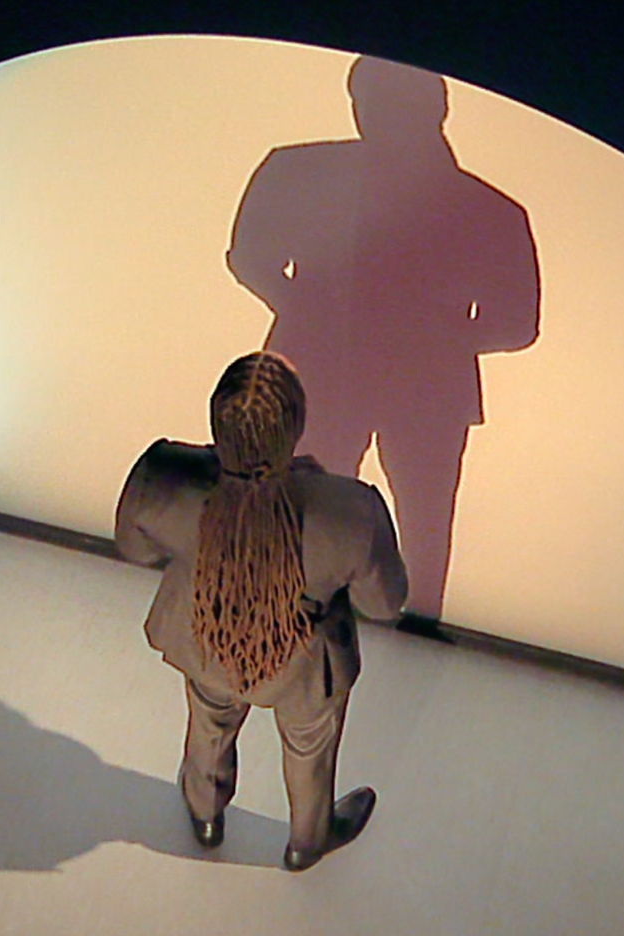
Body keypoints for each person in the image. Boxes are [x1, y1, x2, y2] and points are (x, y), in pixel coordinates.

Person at [227, 55, 540, 619]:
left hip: (351, 378)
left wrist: (308, 308)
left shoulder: (299, 171)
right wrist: (438, 336)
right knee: (392, 529)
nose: (381, 119)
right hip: (372, 383)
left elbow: (250, 257)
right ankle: (344, 626)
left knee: (344, 520)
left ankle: (302, 622)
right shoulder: (489, 210)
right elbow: (516, 324)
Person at [115, 352, 407, 871]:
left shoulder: (163, 476)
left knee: (209, 724)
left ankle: (205, 815)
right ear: (296, 427)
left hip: (207, 642)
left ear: (215, 420)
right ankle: (306, 843)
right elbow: (383, 604)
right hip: (301, 669)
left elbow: (135, 549)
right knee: (309, 750)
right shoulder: (352, 512)